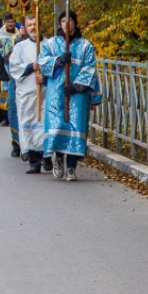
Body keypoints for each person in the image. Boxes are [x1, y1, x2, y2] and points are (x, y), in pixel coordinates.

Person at [39, 10, 99, 181]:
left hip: (77, 94)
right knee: (58, 125)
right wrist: (58, 61)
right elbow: (42, 62)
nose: (67, 24)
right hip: (56, 93)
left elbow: (90, 68)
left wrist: (76, 86)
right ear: (60, 24)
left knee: (76, 127)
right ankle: (58, 159)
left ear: (75, 23)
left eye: (70, 20)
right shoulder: (51, 44)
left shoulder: (85, 46)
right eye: (63, 20)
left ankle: (71, 167)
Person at [9, 14, 53, 174]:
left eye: (35, 24)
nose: (33, 27)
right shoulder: (20, 47)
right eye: (29, 25)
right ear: (25, 28)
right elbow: (13, 67)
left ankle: (47, 156)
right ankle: (34, 161)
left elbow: (57, 66)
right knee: (28, 123)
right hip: (27, 93)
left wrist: (46, 74)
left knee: (46, 123)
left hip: (46, 92)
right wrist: (31, 67)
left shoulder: (50, 45)